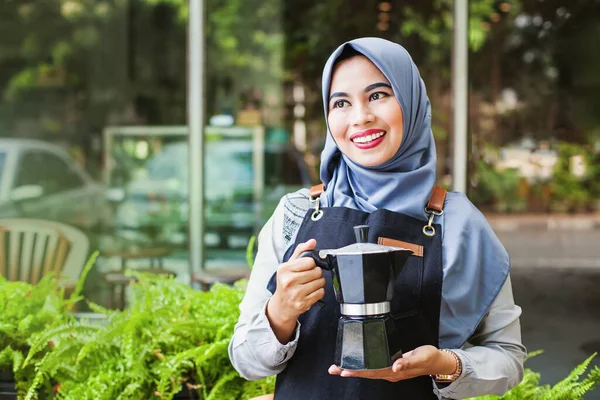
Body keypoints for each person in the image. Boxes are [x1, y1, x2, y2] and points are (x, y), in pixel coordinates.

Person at [229, 37, 526, 399]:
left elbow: (508, 357)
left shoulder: (459, 223)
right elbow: (246, 360)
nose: (360, 117)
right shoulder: (296, 213)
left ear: (411, 102)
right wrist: (279, 313)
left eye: (378, 95)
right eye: (341, 102)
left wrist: (445, 364)